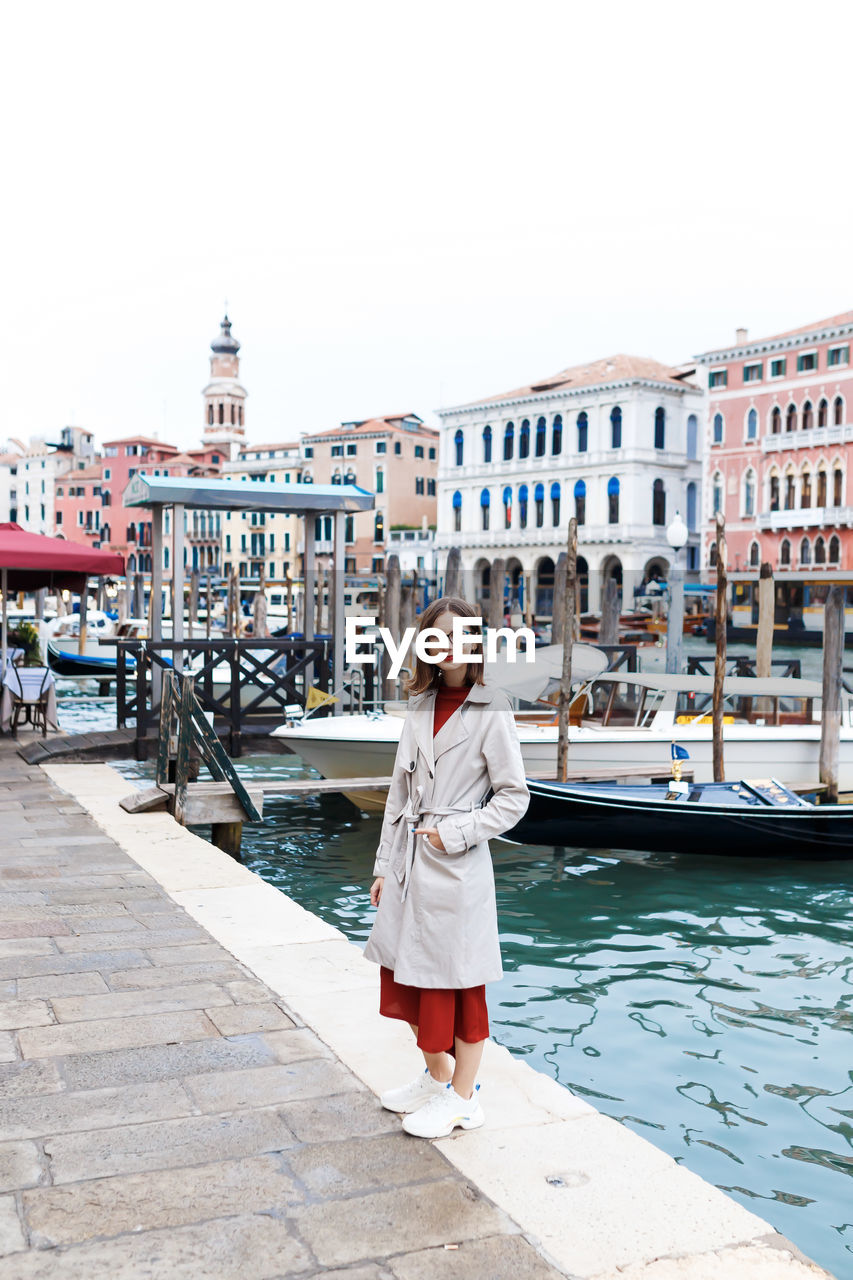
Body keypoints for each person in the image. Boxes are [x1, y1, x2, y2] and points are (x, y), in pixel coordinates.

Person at [364, 595, 529, 1138]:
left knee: (460, 987)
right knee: (405, 978)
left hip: (456, 868)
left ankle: (464, 1098)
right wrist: (383, 865)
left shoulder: (491, 707)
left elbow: (513, 798)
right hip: (411, 863)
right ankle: (437, 1079)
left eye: (458, 635)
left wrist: (457, 831)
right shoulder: (419, 703)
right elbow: (397, 792)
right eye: (435, 635)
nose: (446, 645)